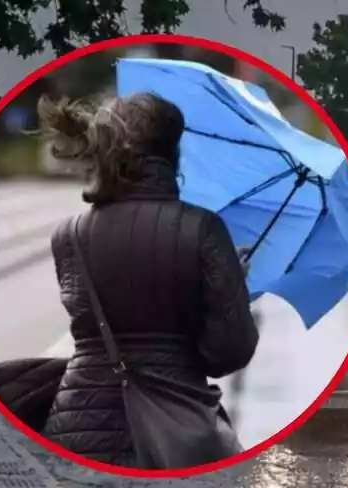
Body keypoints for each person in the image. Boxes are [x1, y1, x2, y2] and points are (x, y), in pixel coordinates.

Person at [36, 92, 259, 467]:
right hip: (173, 429)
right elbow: (228, 352)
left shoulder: (69, 235)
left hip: (77, 429)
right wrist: (232, 286)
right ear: (172, 154)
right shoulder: (202, 229)